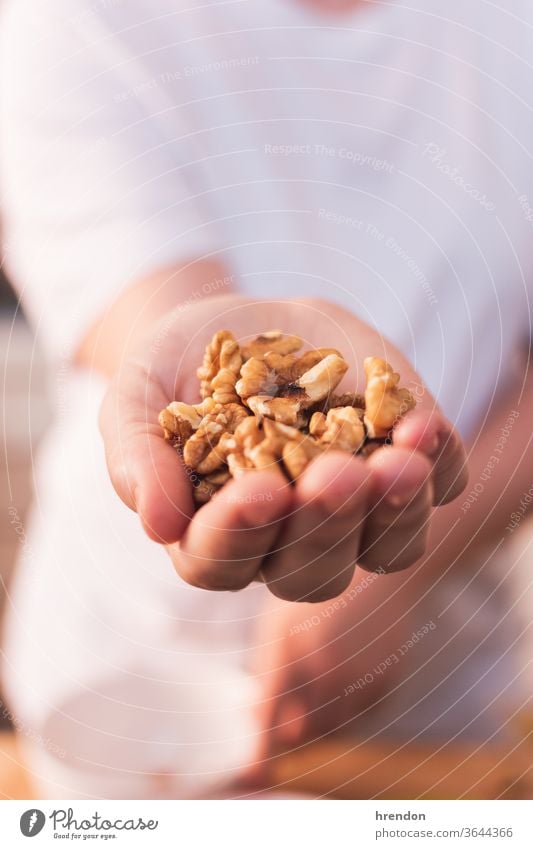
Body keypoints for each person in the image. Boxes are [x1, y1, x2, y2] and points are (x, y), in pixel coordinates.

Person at [0, 0, 531, 796]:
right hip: (122, 690)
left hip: (433, 709)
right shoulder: (73, 17)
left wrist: (400, 578)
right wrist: (183, 343)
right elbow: (152, 305)